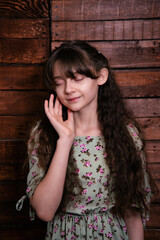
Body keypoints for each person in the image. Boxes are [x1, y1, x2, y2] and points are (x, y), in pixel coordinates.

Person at [16, 40, 155, 240]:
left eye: (77, 78)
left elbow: (132, 214)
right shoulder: (44, 134)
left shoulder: (126, 134)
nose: (69, 89)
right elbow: (45, 211)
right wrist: (65, 140)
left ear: (101, 76)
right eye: (59, 82)